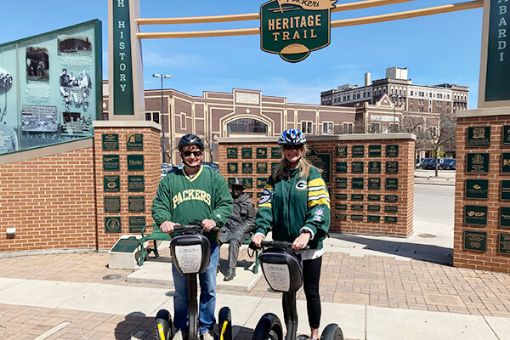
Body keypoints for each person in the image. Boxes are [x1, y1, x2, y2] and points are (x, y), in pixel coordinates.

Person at [251, 129, 330, 340]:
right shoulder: (275, 177)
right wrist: (260, 231)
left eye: (296, 147)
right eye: (288, 147)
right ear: (283, 149)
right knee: (287, 291)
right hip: (283, 244)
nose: (292, 151)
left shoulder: (312, 175)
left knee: (311, 291)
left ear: (302, 149)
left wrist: (308, 232)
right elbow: (265, 206)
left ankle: (315, 334)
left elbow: (320, 206)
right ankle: (290, 332)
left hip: (309, 246)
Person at [152, 133, 232, 340]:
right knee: (181, 290)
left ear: (202, 154)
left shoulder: (213, 177)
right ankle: (181, 323)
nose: (192, 157)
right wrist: (164, 220)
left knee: (208, 287)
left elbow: (226, 203)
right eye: (187, 153)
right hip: (181, 244)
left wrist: (215, 218)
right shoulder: (171, 180)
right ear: (181, 155)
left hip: (208, 242)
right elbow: (160, 204)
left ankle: (205, 325)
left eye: (196, 152)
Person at [218, 177, 256, 281]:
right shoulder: (227, 200)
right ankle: (215, 266)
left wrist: (242, 229)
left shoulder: (248, 203)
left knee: (234, 243)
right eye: (234, 188)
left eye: (238, 188)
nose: (235, 190)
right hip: (227, 228)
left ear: (242, 189)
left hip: (240, 229)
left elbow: (251, 221)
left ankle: (231, 270)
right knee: (216, 241)